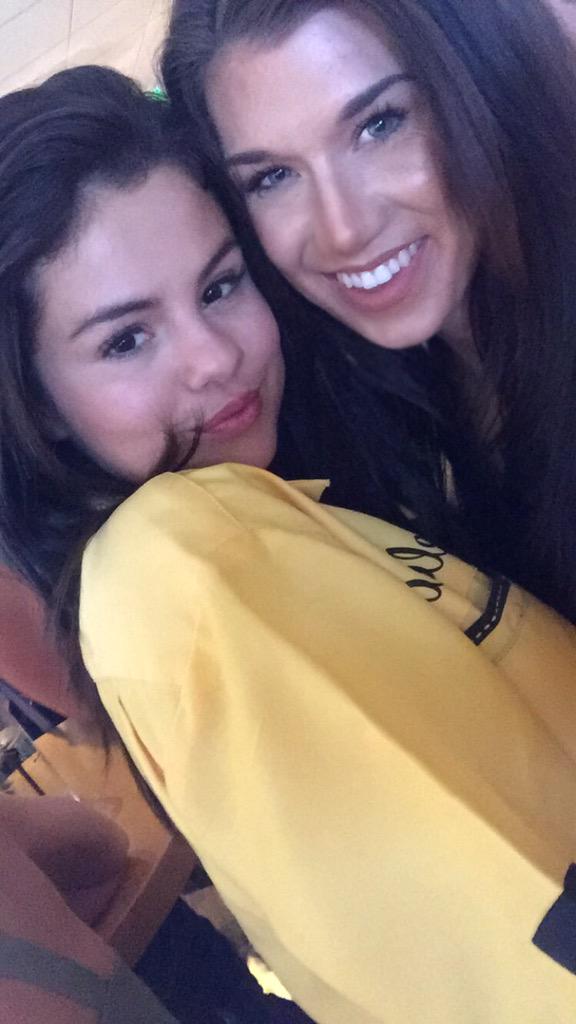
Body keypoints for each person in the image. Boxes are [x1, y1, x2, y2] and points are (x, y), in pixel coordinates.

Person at [2, 61, 576, 1024]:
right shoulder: (179, 565)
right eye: (125, 340)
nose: (215, 356)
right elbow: (505, 943)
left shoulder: (260, 512)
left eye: (220, 286)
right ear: (40, 406)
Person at [160, 0, 576, 626]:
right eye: (272, 176)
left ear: (482, 79)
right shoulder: (368, 394)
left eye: (379, 125)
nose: (345, 229)